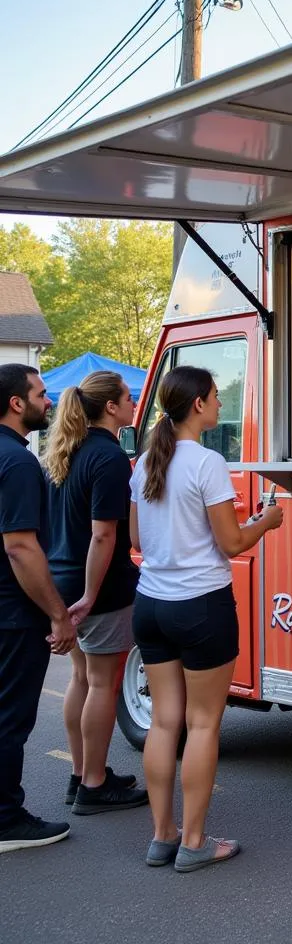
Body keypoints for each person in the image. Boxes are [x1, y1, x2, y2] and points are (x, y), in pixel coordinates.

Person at [129, 365, 283, 872]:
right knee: (201, 724)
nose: (220, 405)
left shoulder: (146, 461)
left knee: (164, 722)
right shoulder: (208, 462)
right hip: (201, 606)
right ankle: (194, 842)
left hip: (151, 604)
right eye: (216, 398)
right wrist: (267, 520)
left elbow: (135, 540)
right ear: (197, 404)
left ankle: (161, 836)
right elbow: (233, 541)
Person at [43, 371, 148, 815]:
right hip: (97, 586)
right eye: (128, 397)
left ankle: (81, 774)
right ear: (110, 407)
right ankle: (95, 783)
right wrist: (90, 594)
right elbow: (104, 535)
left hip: (62, 576)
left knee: (82, 679)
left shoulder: (67, 452)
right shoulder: (108, 458)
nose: (133, 403)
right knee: (103, 682)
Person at [0, 364, 76, 853]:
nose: (47, 403)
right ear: (16, 402)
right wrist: (58, 614)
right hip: (13, 614)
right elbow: (21, 548)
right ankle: (6, 820)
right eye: (41, 394)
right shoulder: (20, 463)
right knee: (10, 716)